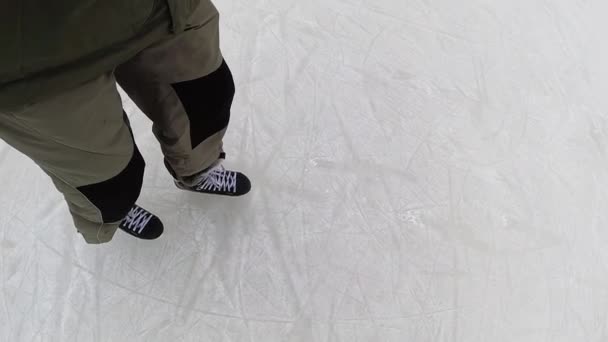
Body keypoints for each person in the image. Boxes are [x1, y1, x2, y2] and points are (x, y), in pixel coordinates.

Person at [0, 0, 251, 244]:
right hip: (32, 61)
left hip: (153, 9)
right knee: (109, 183)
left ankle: (198, 170)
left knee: (206, 99)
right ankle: (118, 212)